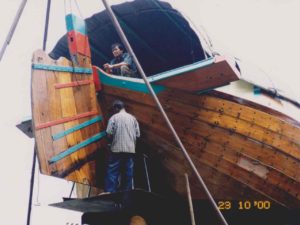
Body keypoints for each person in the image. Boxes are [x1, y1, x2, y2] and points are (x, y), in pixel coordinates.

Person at [104, 100, 140, 193]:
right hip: (130, 150)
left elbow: (109, 133)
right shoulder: (133, 118)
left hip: (116, 149)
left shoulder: (114, 118)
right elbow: (138, 135)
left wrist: (109, 143)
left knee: (113, 172)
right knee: (128, 173)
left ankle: (110, 192)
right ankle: (126, 193)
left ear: (116, 108)